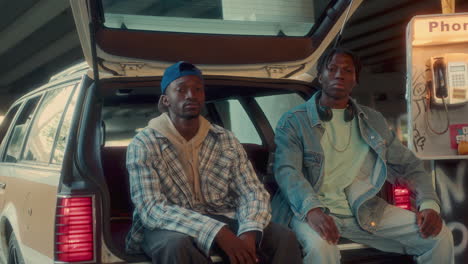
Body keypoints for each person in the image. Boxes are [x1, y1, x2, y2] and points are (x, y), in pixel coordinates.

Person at [271, 47, 454, 263]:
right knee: (322, 249)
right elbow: (287, 170)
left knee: (439, 236)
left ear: (355, 79)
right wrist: (312, 209)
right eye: (332, 69)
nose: (339, 74)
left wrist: (429, 204)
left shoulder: (372, 120)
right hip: (309, 210)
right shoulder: (294, 121)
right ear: (320, 76)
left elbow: (409, 165)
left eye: (347, 70)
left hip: (362, 209)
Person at [125, 61, 302, 264]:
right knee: (176, 245)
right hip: (167, 225)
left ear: (203, 96)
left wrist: (249, 231)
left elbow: (251, 191)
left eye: (197, 89)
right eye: (181, 90)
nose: (191, 95)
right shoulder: (144, 143)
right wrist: (219, 233)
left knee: (284, 237)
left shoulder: (225, 139)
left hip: (223, 215)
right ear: (166, 100)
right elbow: (152, 209)